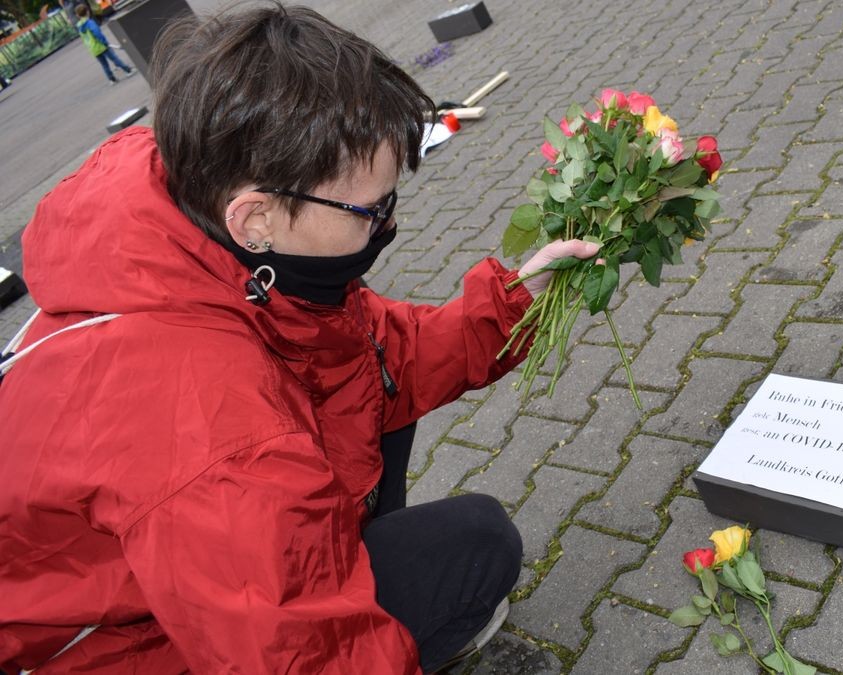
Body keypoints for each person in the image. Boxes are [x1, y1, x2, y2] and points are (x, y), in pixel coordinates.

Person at [0, 4, 598, 673]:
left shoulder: (199, 236)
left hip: (182, 580)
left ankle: (332, 563)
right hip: (125, 649)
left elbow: (381, 355)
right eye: (372, 210)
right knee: (478, 546)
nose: (387, 228)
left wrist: (516, 298)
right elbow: (295, 659)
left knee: (376, 403)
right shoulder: (211, 433)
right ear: (255, 218)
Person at [74, 4, 133, 84]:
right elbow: (97, 33)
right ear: (87, 12)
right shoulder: (89, 22)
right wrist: (104, 42)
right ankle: (127, 70)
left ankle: (111, 79)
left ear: (78, 15)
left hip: (93, 48)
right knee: (114, 58)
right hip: (101, 45)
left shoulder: (79, 26)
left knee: (104, 65)